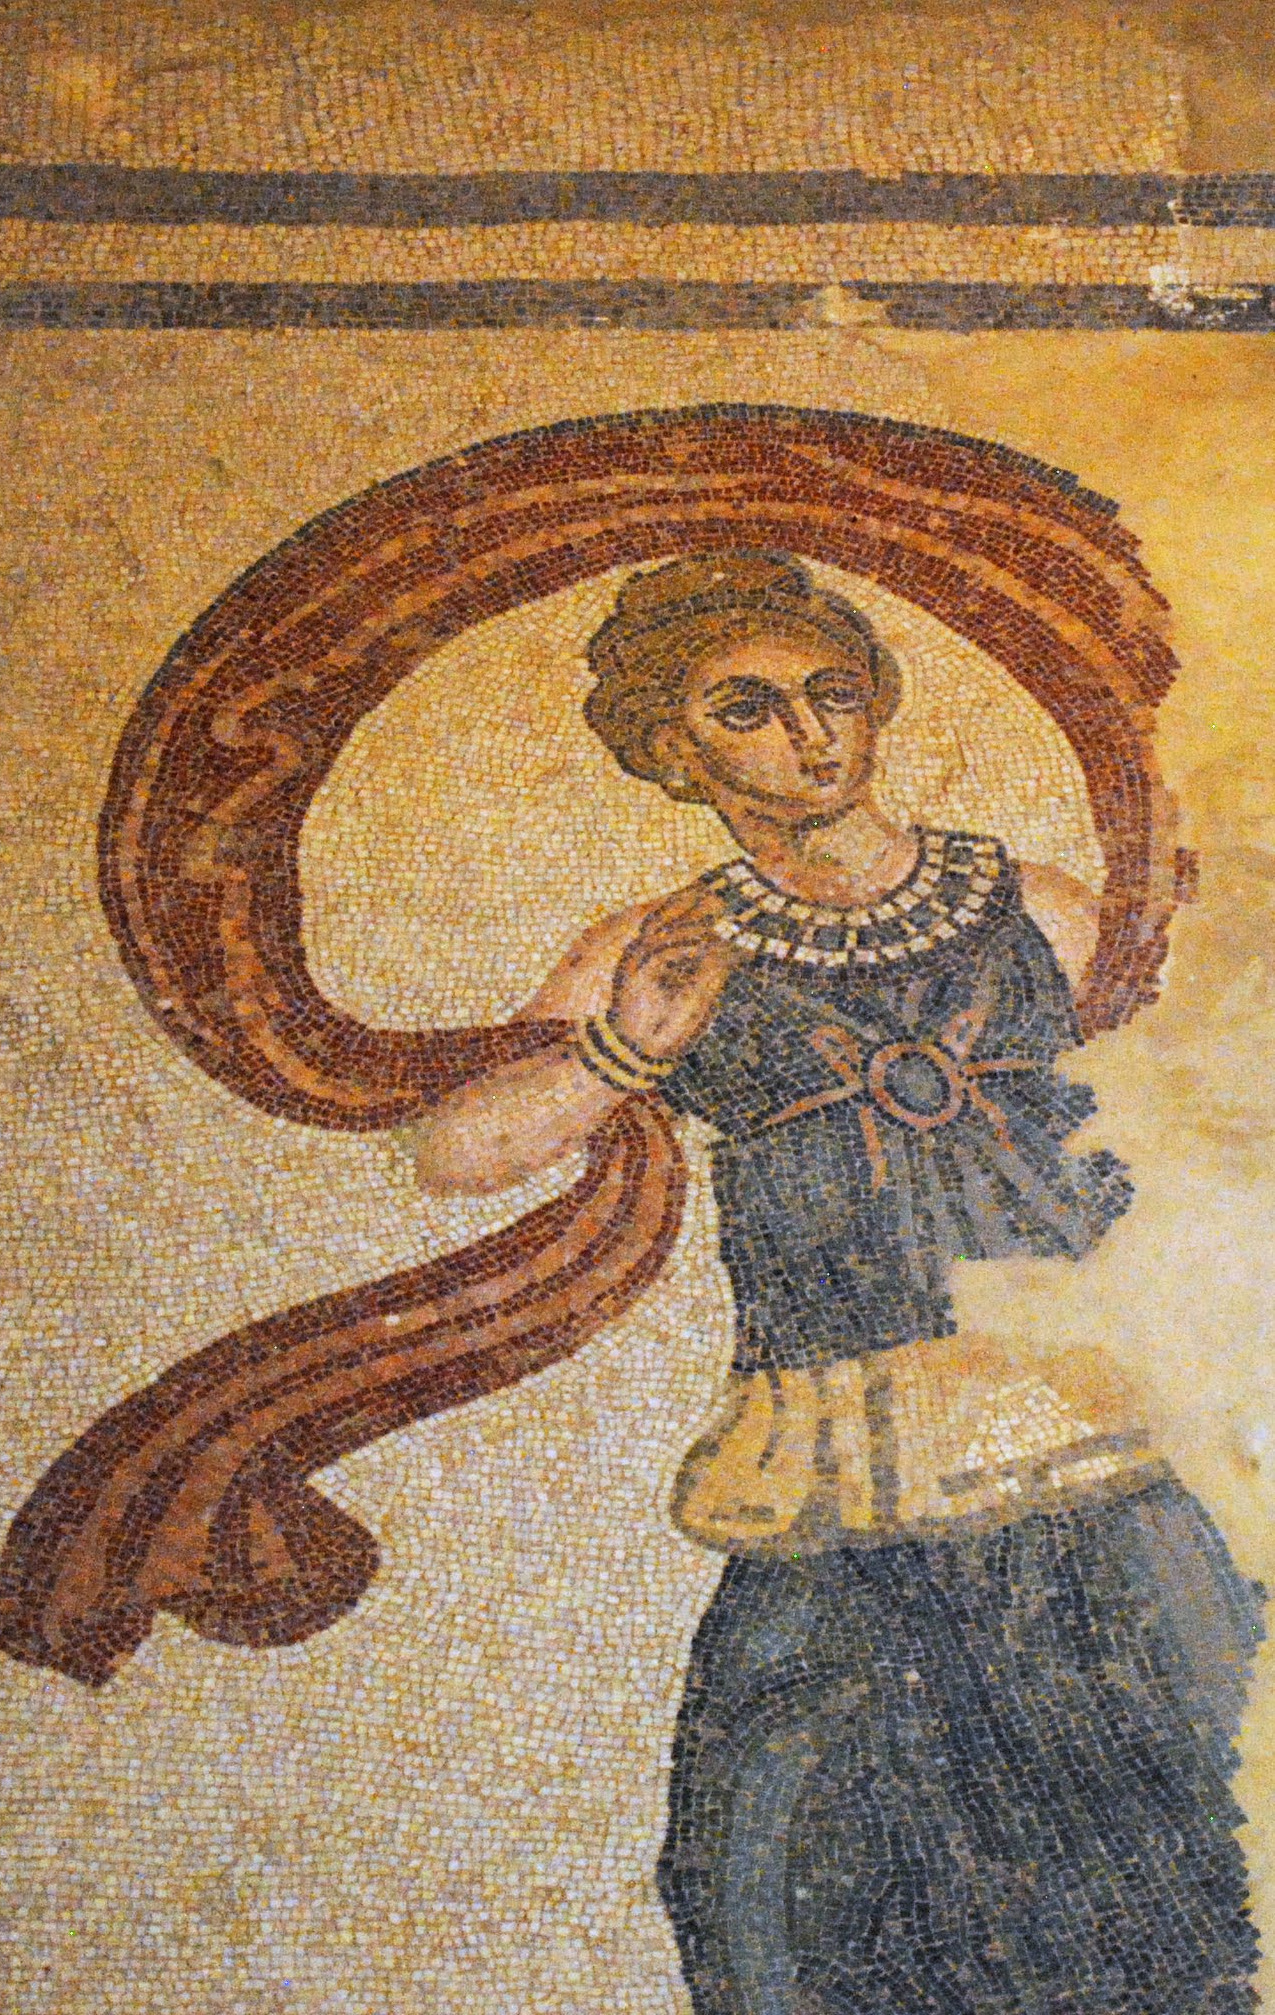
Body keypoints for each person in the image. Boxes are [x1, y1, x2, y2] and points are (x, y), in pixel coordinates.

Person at [411, 551, 1262, 2015]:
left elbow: (1203, 1091)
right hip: (834, 1466)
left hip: (1090, 1443)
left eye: (833, 694)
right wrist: (630, 1047)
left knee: (1170, 1848)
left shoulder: (1035, 908)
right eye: (746, 710)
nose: (809, 735)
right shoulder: (662, 948)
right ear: (669, 752)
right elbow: (457, 1149)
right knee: (779, 1868)